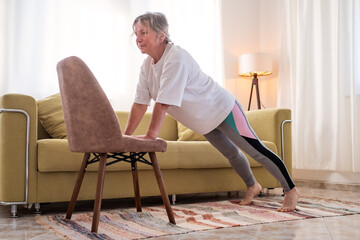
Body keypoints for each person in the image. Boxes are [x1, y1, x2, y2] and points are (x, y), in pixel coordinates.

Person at [124, 11, 299, 212]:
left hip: (223, 108)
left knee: (255, 149)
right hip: (203, 120)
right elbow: (139, 103)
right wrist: (125, 137)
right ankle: (253, 185)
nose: (137, 38)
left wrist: (150, 136)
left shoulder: (176, 58)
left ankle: (291, 190)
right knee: (231, 153)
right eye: (136, 33)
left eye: (143, 33)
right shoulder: (147, 66)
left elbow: (162, 103)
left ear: (161, 35)